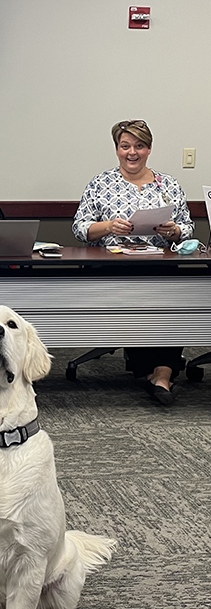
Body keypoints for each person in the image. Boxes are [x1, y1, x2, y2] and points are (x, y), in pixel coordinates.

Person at [72, 119, 195, 406]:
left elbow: (187, 227)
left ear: (149, 149)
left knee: (174, 304)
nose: (132, 152)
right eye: (125, 146)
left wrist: (174, 231)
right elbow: (80, 228)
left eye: (139, 146)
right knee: (140, 303)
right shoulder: (101, 183)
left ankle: (161, 373)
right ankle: (158, 374)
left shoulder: (169, 184)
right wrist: (108, 227)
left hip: (160, 265)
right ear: (116, 150)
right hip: (113, 265)